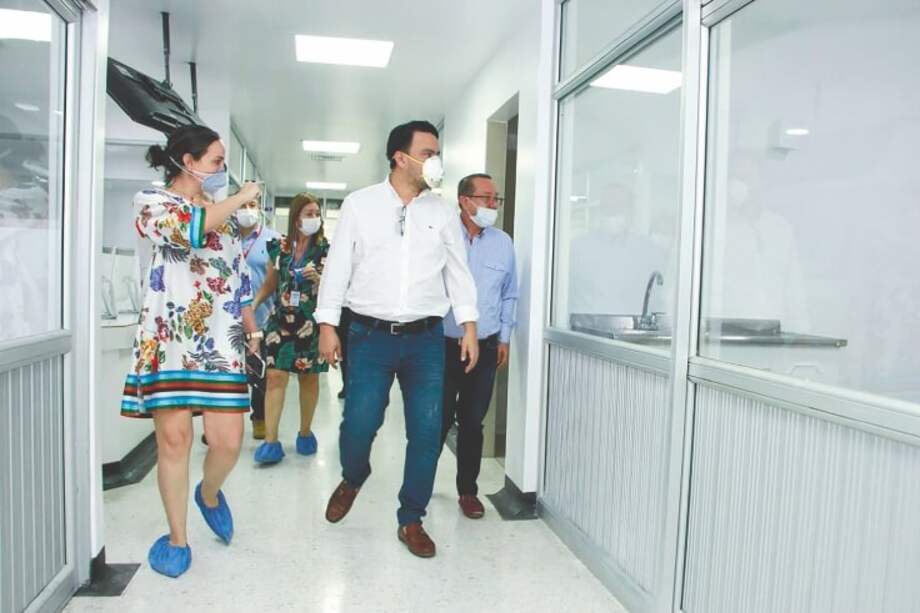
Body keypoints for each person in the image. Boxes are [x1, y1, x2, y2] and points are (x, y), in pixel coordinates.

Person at [316, 120, 480, 558]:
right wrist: (327, 325)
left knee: (427, 432)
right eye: (428, 153)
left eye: (436, 152)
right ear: (399, 157)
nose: (435, 161)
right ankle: (354, 476)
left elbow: (457, 272)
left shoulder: (443, 211)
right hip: (368, 336)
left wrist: (468, 326)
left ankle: (411, 518)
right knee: (359, 424)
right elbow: (337, 270)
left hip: (425, 340)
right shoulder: (359, 205)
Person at [120, 125, 262, 578]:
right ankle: (178, 538)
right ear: (187, 160)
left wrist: (251, 330)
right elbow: (190, 230)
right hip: (170, 340)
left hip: (221, 342)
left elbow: (238, 279)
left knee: (229, 443)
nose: (223, 170)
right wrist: (240, 199)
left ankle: (210, 493)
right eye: (218, 161)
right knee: (174, 441)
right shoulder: (153, 203)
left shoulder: (229, 216)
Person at [440, 173, 518, 519]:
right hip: (441, 345)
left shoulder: (502, 242)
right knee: (435, 419)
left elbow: (509, 293)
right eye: (486, 198)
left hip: (485, 347)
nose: (492, 205)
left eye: (496, 199)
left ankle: (467, 492)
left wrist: (503, 338)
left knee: (473, 422)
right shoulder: (442, 236)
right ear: (464, 200)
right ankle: (419, 483)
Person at [251, 193, 330, 464]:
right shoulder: (280, 248)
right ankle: (271, 442)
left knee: (309, 379)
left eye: (316, 213)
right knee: (274, 377)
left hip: (311, 322)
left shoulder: (327, 250)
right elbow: (270, 283)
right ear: (296, 217)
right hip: (279, 321)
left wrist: (319, 279)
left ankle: (305, 432)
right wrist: (253, 306)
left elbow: (334, 290)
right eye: (308, 213)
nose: (314, 218)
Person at [236, 196, 281, 440]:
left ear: (260, 208)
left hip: (262, 316)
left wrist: (256, 304)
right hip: (228, 319)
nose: (247, 210)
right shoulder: (226, 237)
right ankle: (222, 423)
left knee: (260, 372)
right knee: (230, 372)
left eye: (252, 205)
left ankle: (260, 418)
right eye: (242, 205)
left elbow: (274, 280)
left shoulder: (273, 239)